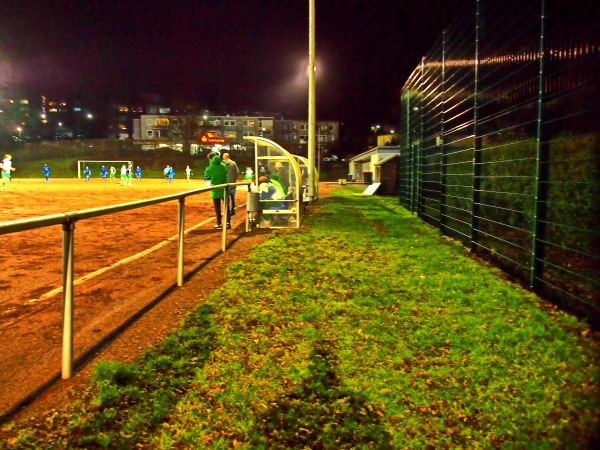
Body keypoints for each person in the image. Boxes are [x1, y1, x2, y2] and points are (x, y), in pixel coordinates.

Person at [204, 153, 230, 229]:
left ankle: (219, 223)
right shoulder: (223, 165)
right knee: (226, 206)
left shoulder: (209, 168)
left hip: (216, 190)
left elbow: (207, 177)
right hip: (225, 189)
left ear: (210, 159)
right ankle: (228, 222)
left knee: (217, 208)